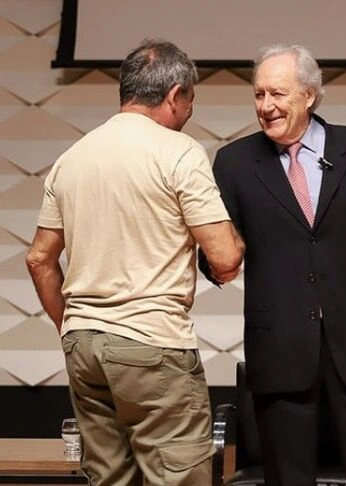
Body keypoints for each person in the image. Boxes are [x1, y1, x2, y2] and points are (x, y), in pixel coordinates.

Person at [199, 44, 346, 485]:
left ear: (310, 94)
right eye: (259, 95)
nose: (266, 106)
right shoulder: (234, 162)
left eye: (277, 94)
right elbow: (219, 256)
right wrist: (214, 261)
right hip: (279, 349)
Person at [26, 39, 245, 485]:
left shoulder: (72, 159)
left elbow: (39, 259)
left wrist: (73, 325)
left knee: (108, 479)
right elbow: (224, 258)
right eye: (190, 101)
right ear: (174, 94)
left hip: (83, 346)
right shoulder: (178, 152)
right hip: (152, 343)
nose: (189, 112)